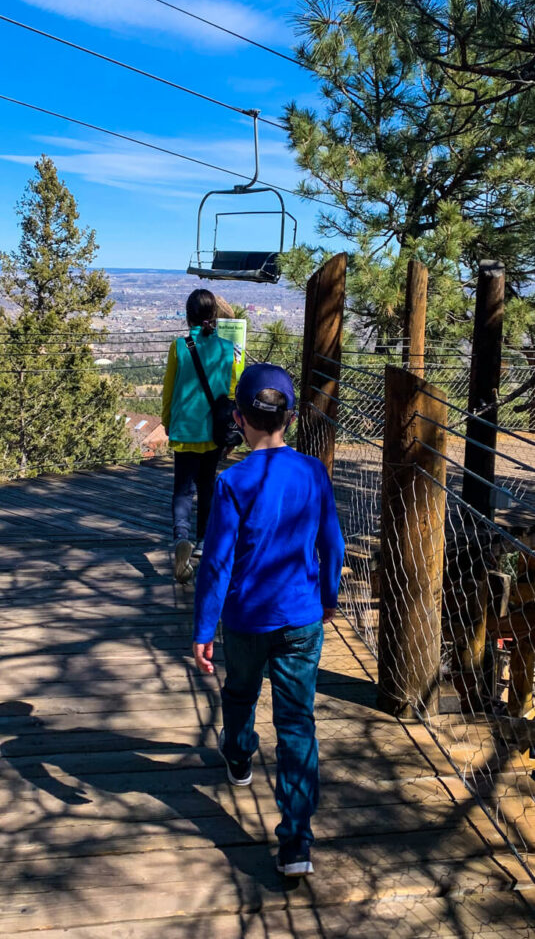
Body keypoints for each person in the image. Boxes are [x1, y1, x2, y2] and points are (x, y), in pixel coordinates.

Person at [192, 362, 344, 877]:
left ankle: (238, 754)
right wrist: (328, 597)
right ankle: (297, 842)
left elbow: (216, 563)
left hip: (246, 619)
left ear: (239, 418)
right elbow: (332, 544)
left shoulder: (232, 481)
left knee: (239, 692)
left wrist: (203, 630)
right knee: (297, 722)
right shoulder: (314, 472)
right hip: (302, 618)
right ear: (292, 417)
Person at [161, 289, 236, 584]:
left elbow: (169, 389)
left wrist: (168, 421)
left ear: (188, 315)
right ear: (214, 316)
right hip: (213, 431)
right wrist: (230, 430)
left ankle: (181, 538)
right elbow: (230, 393)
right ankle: (203, 544)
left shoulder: (179, 346)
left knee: (182, 489)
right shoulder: (227, 349)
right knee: (207, 487)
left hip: (185, 430)